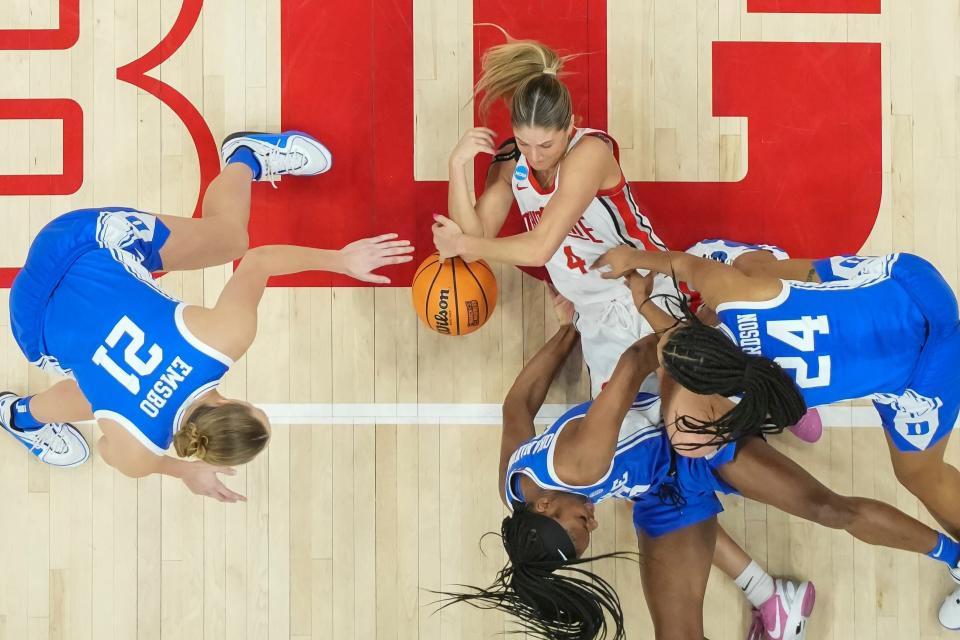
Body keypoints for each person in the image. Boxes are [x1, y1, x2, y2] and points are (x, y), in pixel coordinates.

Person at [441, 287, 960, 640]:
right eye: (587, 533)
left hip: (694, 439)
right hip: (661, 492)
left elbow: (637, 359)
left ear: (550, 503)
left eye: (581, 521)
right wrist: (564, 335)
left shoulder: (582, 464)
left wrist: (697, 364)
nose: (594, 521)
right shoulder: (515, 487)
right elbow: (518, 406)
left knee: (828, 509)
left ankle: (952, 555)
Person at [1, 131, 413, 502]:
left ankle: (246, 157)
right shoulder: (139, 453)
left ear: (234, 402)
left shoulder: (224, 339)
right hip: (29, 323)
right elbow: (111, 449)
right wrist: (180, 470)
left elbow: (259, 260)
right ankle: (18, 416)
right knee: (102, 398)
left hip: (79, 241)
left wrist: (341, 260)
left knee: (232, 238)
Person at [594, 240, 960, 628]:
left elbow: (685, 364)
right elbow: (685, 266)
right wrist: (633, 260)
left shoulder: (746, 401)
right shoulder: (735, 296)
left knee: (919, 474)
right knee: (755, 267)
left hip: (927, 367)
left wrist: (644, 311)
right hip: (912, 282)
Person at [431, 31, 670, 398]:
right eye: (524, 142)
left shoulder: (589, 153)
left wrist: (461, 241)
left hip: (645, 293)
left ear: (570, 125)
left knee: (692, 417)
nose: (536, 155)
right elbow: (475, 241)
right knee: (627, 437)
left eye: (546, 144)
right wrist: (457, 167)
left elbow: (538, 248)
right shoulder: (513, 161)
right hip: (594, 315)